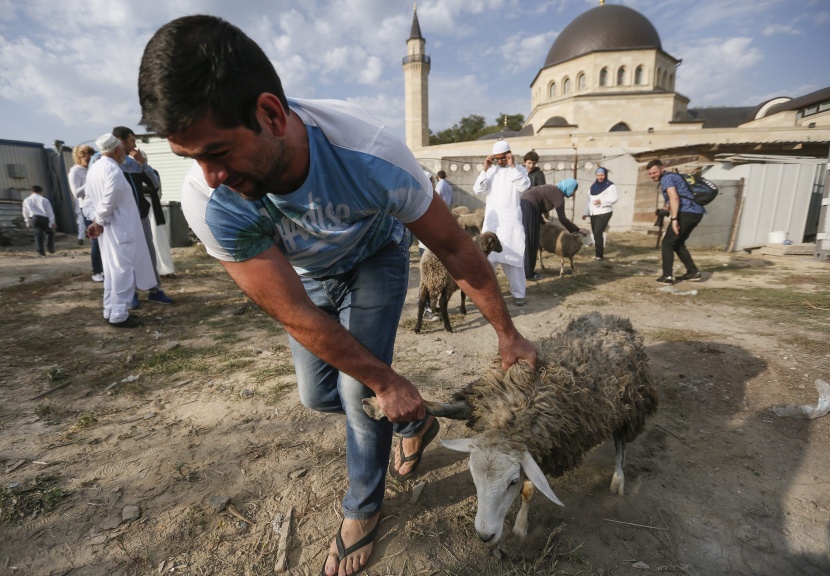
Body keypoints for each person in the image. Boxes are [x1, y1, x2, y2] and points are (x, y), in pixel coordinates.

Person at [137, 15, 536, 576]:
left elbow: (455, 248)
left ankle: (362, 509)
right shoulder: (211, 201)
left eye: (219, 151)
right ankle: (413, 425)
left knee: (357, 393)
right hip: (309, 281)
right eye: (192, 159)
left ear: (271, 114)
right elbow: (292, 309)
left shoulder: (369, 155)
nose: (210, 175)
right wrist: (391, 387)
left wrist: (508, 334)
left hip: (375, 258)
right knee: (316, 395)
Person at [85, 134, 157, 328]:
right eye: (122, 148)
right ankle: (119, 315)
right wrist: (99, 221)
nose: (124, 152)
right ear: (117, 149)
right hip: (120, 229)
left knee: (111, 270)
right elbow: (110, 197)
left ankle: (110, 310)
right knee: (122, 271)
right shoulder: (112, 170)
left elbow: (88, 201)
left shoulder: (94, 169)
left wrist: (95, 220)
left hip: (108, 229)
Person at [110, 126, 175, 306]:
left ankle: (154, 290)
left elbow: (154, 183)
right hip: (120, 221)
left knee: (148, 254)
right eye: (132, 141)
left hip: (141, 216)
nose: (135, 146)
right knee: (126, 258)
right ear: (121, 141)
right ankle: (131, 294)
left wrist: (143, 164)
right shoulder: (108, 164)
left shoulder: (133, 164)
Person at [474, 140, 531, 305]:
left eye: (503, 158)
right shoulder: (490, 172)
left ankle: (519, 294)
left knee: (514, 258)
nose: (500, 161)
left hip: (511, 223)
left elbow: (524, 186)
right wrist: (484, 168)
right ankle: (488, 294)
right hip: (493, 224)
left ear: (509, 154)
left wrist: (512, 166)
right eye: (496, 158)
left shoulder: (519, 170)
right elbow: (477, 189)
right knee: (488, 260)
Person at [647, 159, 705, 284]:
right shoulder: (673, 176)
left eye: (654, 172)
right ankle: (693, 272)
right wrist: (665, 210)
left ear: (662, 169)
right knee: (677, 243)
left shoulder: (666, 179)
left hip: (686, 212)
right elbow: (672, 199)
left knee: (667, 243)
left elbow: (675, 197)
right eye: (650, 174)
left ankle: (667, 276)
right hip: (696, 212)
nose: (652, 176)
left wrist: (674, 219)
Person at [520, 180, 581, 279]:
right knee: (530, 240)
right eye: (574, 190)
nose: (574, 193)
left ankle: (527, 270)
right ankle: (528, 273)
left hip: (526, 206)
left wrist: (543, 223)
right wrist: (577, 230)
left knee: (534, 240)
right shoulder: (558, 194)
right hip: (528, 207)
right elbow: (563, 219)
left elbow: (537, 206)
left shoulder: (552, 189)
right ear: (569, 188)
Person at [69, 145, 104, 281]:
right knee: (95, 240)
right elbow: (76, 192)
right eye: (87, 159)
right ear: (79, 158)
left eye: (91, 158)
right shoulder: (75, 171)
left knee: (105, 240)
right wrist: (90, 181)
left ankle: (106, 269)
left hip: (100, 206)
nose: (90, 162)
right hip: (88, 209)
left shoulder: (95, 168)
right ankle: (96, 271)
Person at [582, 167, 618, 261]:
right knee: (595, 233)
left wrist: (602, 201)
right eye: (598, 175)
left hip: (604, 212)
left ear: (605, 175)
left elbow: (615, 198)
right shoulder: (593, 187)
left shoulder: (610, 185)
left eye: (602, 175)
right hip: (594, 213)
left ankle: (600, 256)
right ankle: (598, 255)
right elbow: (588, 200)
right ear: (596, 176)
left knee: (598, 232)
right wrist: (586, 212)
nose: (600, 177)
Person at [21, 185, 56, 256]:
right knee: (49, 233)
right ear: (41, 191)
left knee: (38, 235)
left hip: (34, 218)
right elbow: (50, 211)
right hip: (44, 218)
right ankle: (50, 248)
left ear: (31, 192)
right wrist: (52, 222)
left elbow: (25, 212)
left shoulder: (26, 200)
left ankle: (41, 252)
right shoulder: (44, 199)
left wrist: (27, 221)